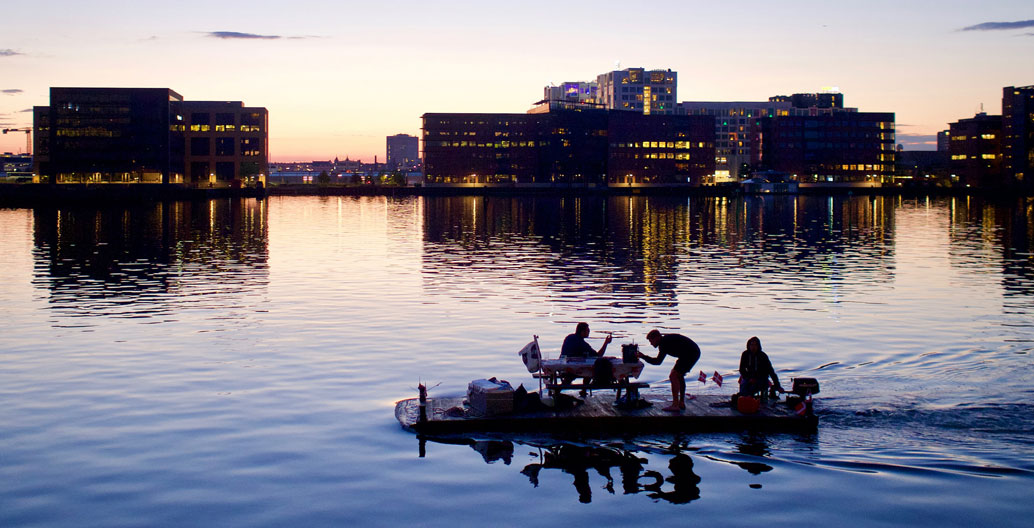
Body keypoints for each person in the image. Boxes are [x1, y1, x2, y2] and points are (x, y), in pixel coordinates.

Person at [638, 329, 701, 412]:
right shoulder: (664, 342)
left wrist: (643, 356)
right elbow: (658, 361)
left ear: (657, 338)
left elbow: (658, 362)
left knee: (673, 376)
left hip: (690, 353)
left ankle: (675, 405)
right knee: (678, 375)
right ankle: (680, 402)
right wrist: (644, 357)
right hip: (689, 353)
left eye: (651, 341)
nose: (651, 343)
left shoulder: (664, 343)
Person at [559, 322, 612, 392]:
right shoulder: (582, 344)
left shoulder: (569, 337)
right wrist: (606, 343)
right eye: (588, 331)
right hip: (572, 368)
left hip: (563, 365)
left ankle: (581, 390)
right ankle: (584, 390)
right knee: (590, 370)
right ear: (582, 331)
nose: (589, 332)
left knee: (581, 371)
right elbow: (598, 356)